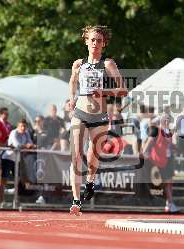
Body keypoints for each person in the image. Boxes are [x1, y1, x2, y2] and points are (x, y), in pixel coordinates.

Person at [67, 25, 127, 215]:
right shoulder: (78, 64)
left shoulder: (108, 64)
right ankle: (76, 201)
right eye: (92, 40)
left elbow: (123, 90)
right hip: (80, 114)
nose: (95, 43)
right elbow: (72, 81)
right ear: (86, 41)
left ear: (104, 44)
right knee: (76, 156)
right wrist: (72, 98)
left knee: (94, 155)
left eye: (99, 41)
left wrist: (104, 92)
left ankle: (90, 181)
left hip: (99, 117)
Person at [0, 118, 36, 206]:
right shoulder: (13, 132)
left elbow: (31, 144)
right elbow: (17, 145)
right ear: (18, 126)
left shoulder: (26, 133)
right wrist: (27, 146)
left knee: (19, 180)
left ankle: (16, 200)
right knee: (4, 180)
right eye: (21, 126)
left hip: (17, 159)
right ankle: (1, 201)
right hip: (8, 158)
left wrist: (28, 146)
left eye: (24, 126)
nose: (23, 128)